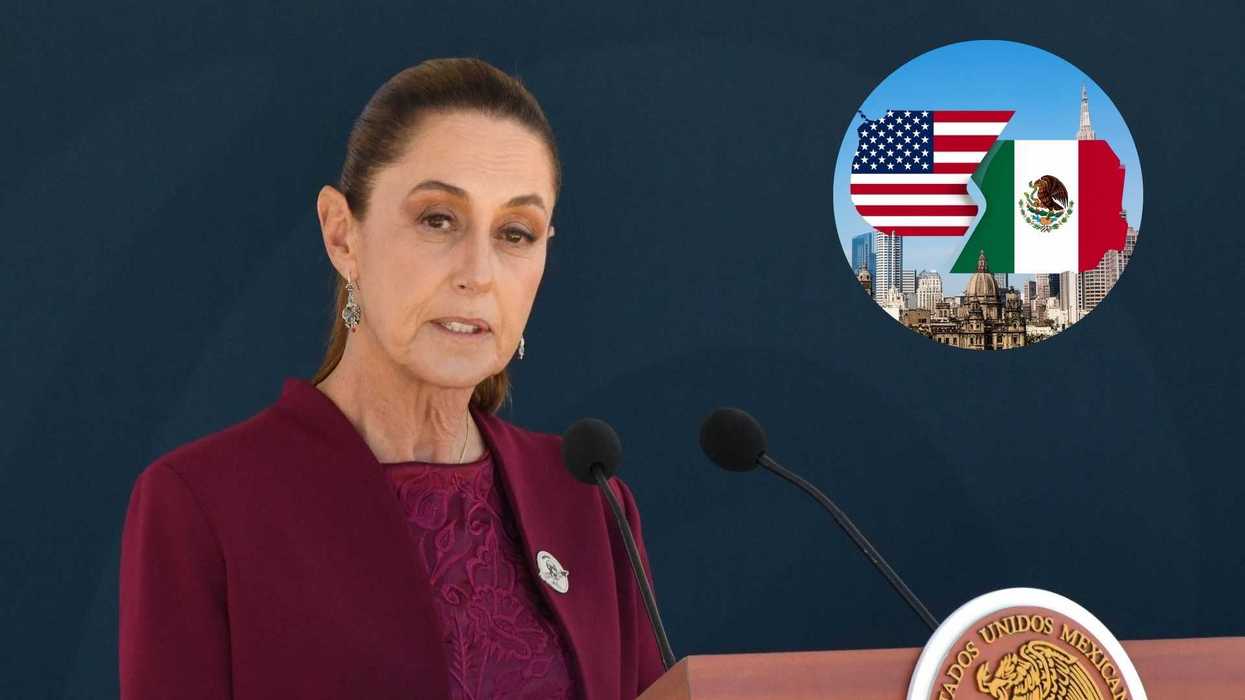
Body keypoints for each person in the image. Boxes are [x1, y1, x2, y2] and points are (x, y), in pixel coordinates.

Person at [118, 57, 666, 700]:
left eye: (515, 233)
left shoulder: (589, 504)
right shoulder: (204, 504)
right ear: (342, 234)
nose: (478, 273)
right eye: (438, 219)